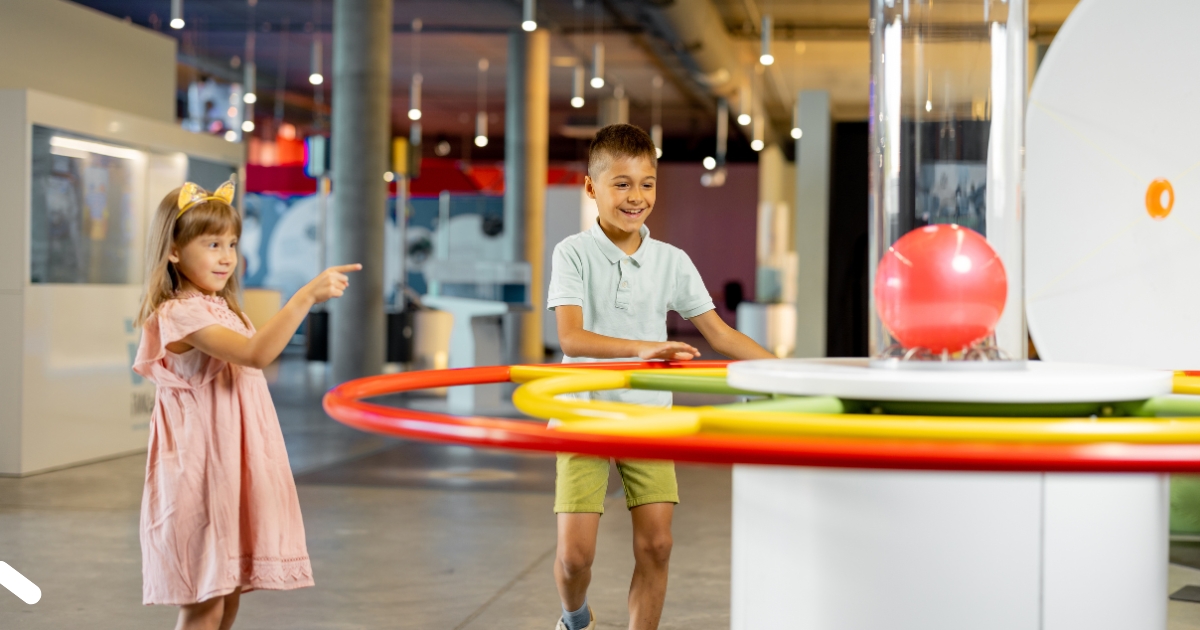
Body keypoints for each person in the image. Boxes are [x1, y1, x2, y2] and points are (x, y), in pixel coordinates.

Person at [547, 124, 775, 630]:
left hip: (648, 418)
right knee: (574, 558)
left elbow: (720, 334)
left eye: (647, 183)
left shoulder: (671, 261)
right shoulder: (573, 253)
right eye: (621, 184)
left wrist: (783, 371)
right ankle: (574, 617)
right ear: (592, 188)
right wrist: (646, 348)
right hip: (582, 413)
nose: (636, 197)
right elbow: (572, 339)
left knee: (657, 544)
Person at [132, 178, 360, 629]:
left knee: (229, 591)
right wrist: (304, 297)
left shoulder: (220, 306)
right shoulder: (180, 313)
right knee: (205, 599)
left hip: (233, 464)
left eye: (232, 243)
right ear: (174, 251)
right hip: (201, 471)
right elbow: (257, 354)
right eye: (212, 243)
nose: (226, 256)